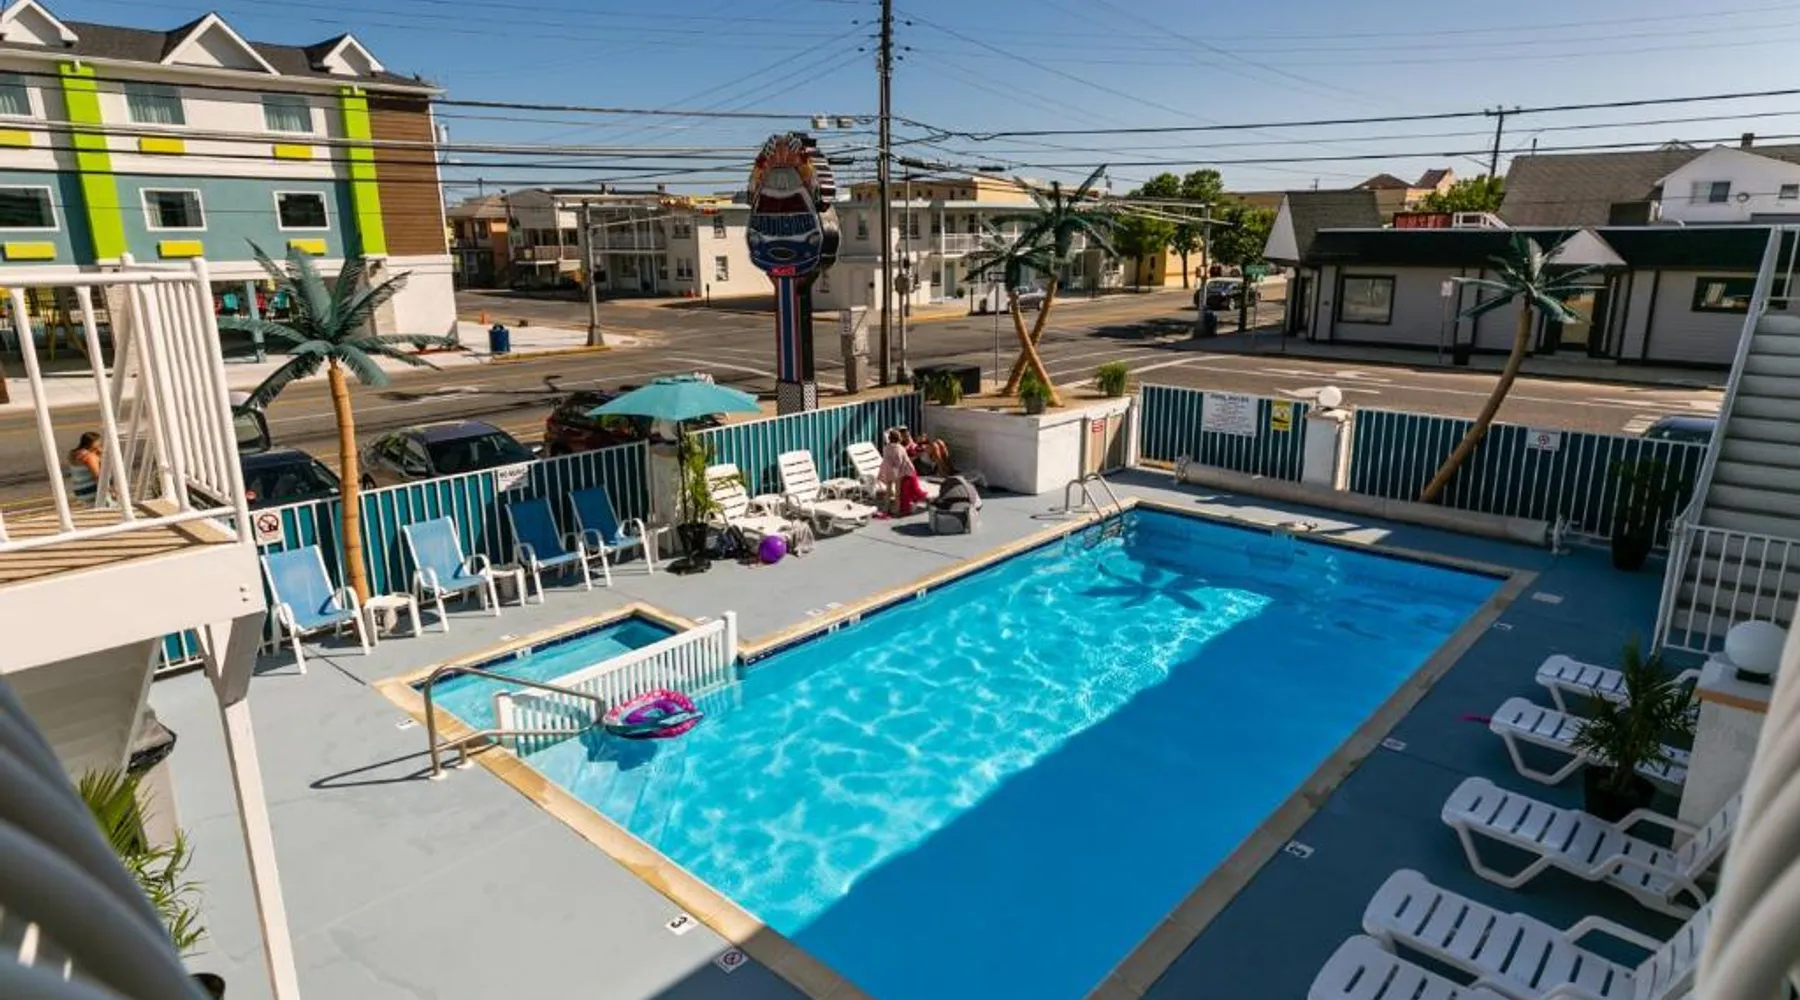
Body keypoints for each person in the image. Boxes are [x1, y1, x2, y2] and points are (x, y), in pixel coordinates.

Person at [877, 429, 929, 517]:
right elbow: (900, 462)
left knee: (888, 491)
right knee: (897, 493)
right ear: (899, 439)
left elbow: (886, 459)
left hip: (888, 471)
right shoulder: (900, 448)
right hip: (898, 472)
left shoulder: (886, 448)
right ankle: (897, 509)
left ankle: (885, 509)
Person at [67, 431, 101, 503]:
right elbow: (97, 476)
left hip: (80, 491)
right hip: (92, 490)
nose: (100, 443)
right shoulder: (90, 457)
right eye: (98, 441)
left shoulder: (73, 454)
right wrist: (111, 491)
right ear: (93, 443)